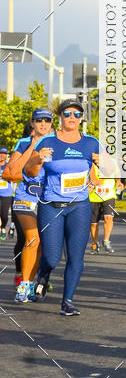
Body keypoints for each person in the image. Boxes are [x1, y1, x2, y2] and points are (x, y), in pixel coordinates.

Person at [24, 99, 111, 316]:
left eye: (77, 114)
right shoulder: (47, 141)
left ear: (82, 118)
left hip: (79, 206)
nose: (72, 117)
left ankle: (67, 301)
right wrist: (37, 160)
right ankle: (43, 274)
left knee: (76, 259)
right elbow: (29, 172)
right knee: (52, 257)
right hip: (51, 207)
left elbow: (111, 170)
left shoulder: (91, 142)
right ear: (60, 116)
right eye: (68, 113)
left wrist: (103, 164)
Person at [3, 108, 54, 301]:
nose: (43, 123)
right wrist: (33, 146)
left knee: (43, 245)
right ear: (32, 123)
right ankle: (23, 285)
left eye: (47, 120)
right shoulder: (24, 143)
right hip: (26, 196)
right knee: (33, 239)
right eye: (39, 120)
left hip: (49, 198)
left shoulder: (56, 142)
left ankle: (31, 283)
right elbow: (10, 172)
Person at [89, 171, 123, 253]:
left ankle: (106, 241)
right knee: (93, 224)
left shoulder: (110, 163)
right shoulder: (91, 165)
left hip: (109, 195)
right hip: (93, 196)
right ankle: (95, 244)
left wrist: (119, 181)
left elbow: (117, 171)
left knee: (108, 217)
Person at [0, 147, 14, 241]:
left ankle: (3, 227)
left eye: (4, 154)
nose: (2, 155)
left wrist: (7, 176)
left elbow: (14, 177)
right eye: (0, 153)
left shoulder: (9, 165)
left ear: (6, 156)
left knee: (4, 214)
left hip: (7, 193)